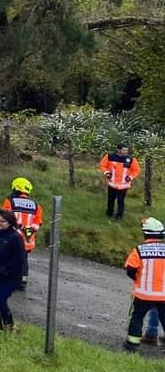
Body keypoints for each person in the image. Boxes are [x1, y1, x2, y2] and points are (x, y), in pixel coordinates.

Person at [123, 217, 165, 352]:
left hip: (143, 294)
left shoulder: (139, 250)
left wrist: (137, 279)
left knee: (137, 318)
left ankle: (132, 344)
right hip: (163, 295)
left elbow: (130, 269)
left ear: (145, 233)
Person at [2, 177, 41, 290]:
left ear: (16, 188)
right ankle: (22, 282)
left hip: (12, 238)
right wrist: (28, 231)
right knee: (23, 260)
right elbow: (38, 223)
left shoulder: (9, 201)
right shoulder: (36, 205)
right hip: (27, 241)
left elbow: (5, 217)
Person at [100, 143, 141, 221]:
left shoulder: (131, 159)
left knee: (120, 200)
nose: (126, 152)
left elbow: (136, 170)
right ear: (118, 150)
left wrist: (130, 177)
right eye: (124, 150)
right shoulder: (109, 156)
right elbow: (102, 165)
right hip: (112, 183)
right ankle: (109, 213)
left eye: (127, 150)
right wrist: (107, 173)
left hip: (123, 185)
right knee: (110, 199)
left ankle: (119, 216)